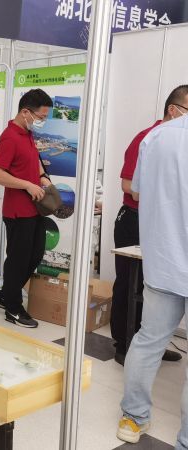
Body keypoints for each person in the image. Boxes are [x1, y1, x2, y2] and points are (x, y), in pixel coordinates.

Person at [117, 102, 188, 447]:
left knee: (148, 341)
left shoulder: (157, 136)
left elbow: (136, 190)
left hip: (164, 260)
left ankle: (133, 418)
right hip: (168, 260)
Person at [111, 87, 187, 366]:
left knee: (155, 290)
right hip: (134, 220)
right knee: (128, 282)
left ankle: (152, 343)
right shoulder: (148, 137)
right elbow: (128, 185)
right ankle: (123, 344)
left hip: (163, 224)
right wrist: (166, 195)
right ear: (173, 110)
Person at [0, 89, 53, 328]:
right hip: (18, 211)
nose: (42, 121)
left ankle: (6, 293)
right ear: (25, 112)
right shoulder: (9, 137)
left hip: (35, 209)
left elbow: (33, 160)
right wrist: (27, 184)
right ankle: (13, 308)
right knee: (18, 259)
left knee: (35, 255)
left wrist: (42, 177)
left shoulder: (27, 134)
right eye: (40, 117)